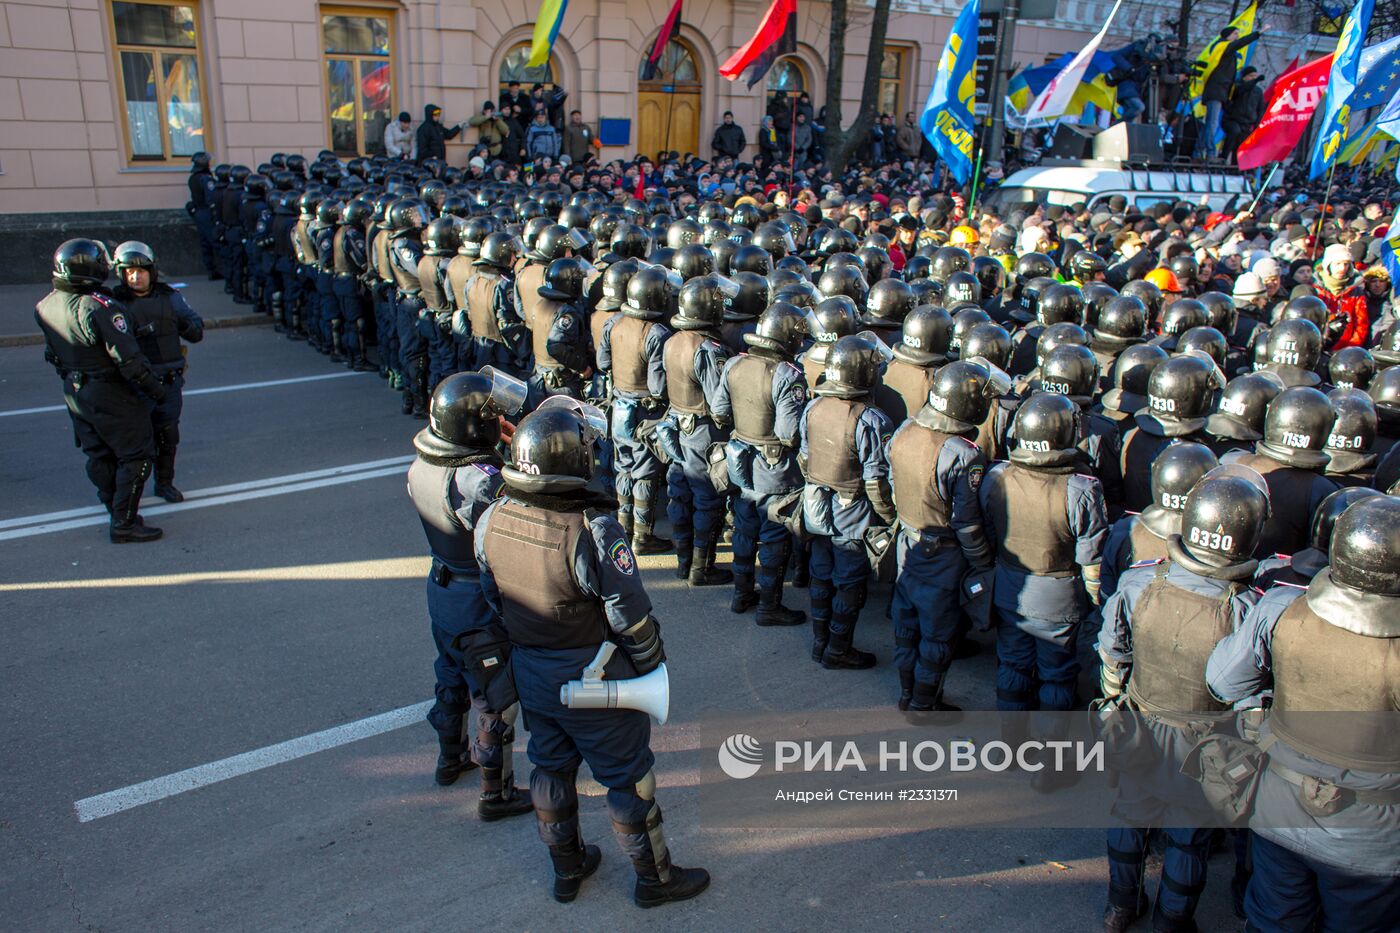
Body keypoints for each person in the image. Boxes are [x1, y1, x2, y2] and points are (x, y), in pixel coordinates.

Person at [475, 400, 711, 907]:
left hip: (532, 670)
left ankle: (567, 869)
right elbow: (630, 615)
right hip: (595, 678)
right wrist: (651, 666)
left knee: (549, 768)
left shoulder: (491, 517)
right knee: (629, 780)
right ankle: (654, 880)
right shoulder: (593, 528)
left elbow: (493, 598)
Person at [1206, 495, 1400, 933]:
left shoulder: (1282, 606)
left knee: (1273, 922)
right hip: (1371, 841)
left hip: (1281, 811)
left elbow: (1223, 683)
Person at [1097, 468, 1271, 933]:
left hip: (1140, 724)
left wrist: (1113, 702)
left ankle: (1119, 906)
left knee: (1129, 817)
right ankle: (1172, 922)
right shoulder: (1249, 607)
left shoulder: (1139, 581)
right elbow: (1249, 691)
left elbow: (1112, 651)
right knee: (1188, 839)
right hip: (1208, 744)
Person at [407, 369, 535, 821]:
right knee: (496, 696)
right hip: (475, 601)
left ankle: (450, 758)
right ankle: (496, 794)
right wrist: (514, 455)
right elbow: (516, 522)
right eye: (493, 416)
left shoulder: (422, 464)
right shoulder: (479, 481)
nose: (499, 420)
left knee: (450, 674)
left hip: (441, 588)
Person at [979, 392, 1107, 776]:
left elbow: (986, 531)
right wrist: (1096, 603)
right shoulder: (1082, 489)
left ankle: (1009, 746)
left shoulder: (997, 476)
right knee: (1057, 678)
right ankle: (1051, 766)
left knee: (1013, 665)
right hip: (1059, 600)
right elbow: (1091, 559)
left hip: (1009, 590)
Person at [36, 239, 167, 543]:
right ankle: (124, 522)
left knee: (98, 454)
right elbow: (128, 359)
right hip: (109, 390)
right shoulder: (100, 307)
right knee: (137, 456)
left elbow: (53, 355)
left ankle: (115, 509)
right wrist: (156, 390)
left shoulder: (45, 305)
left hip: (75, 389)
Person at [887, 359, 998, 712]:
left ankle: (907, 693)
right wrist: (983, 563)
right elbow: (967, 523)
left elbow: (891, 485)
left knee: (906, 623)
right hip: (944, 556)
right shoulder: (964, 454)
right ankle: (924, 703)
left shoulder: (905, 430)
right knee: (938, 632)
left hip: (907, 542)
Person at [801, 334, 897, 670]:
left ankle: (820, 642)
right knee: (849, 581)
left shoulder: (813, 406)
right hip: (852, 511)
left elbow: (804, 458)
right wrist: (889, 518)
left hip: (816, 504)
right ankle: (839, 649)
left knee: (821, 572)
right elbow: (875, 481)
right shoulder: (871, 419)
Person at [712, 302, 810, 625]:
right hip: (775, 470)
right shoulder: (788, 375)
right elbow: (788, 433)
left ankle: (741, 595)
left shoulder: (735, 364)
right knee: (773, 537)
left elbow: (719, 411)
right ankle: (769, 606)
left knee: (744, 529)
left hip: (739, 462)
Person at [110, 241, 204, 504]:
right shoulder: (114, 303)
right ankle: (130, 493)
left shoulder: (170, 297)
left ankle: (164, 483)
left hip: (169, 382)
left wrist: (179, 322)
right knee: (136, 442)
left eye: (141, 271)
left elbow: (196, 330)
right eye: (129, 272)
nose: (135, 277)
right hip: (136, 385)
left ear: (151, 271)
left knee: (168, 435)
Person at [662, 275, 735, 585]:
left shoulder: (672, 340)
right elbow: (719, 404)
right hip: (703, 432)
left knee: (680, 494)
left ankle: (684, 562)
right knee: (708, 500)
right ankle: (701, 569)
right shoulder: (707, 349)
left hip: (677, 424)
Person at [598, 264, 673, 555]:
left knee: (624, 468)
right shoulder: (657, 333)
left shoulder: (613, 323)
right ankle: (642, 536)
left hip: (618, 408)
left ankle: (623, 529)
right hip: (645, 414)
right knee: (644, 474)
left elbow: (603, 363)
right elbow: (657, 386)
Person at [1196, 24, 1264, 161]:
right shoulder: (1224, 46)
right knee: (1212, 123)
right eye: (1235, 34)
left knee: (1210, 123)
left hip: (1220, 92)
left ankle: (1198, 152)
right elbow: (1241, 43)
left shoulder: (1225, 51)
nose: (1237, 36)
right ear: (1227, 35)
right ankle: (1210, 153)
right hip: (1216, 91)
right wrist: (1258, 33)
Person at [186, 151, 220, 279]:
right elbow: (211, 197)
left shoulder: (193, 178)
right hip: (206, 213)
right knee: (215, 241)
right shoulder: (205, 178)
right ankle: (224, 272)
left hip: (198, 213)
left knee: (205, 243)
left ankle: (211, 270)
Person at [1222, 67, 1264, 165]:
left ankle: (1235, 167)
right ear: (1244, 77)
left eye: (1255, 76)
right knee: (1234, 132)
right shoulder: (1237, 86)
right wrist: (1255, 81)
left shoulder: (1258, 91)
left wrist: (1257, 125)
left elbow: (1260, 109)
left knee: (1240, 147)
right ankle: (1223, 158)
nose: (1254, 78)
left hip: (1247, 124)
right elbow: (1240, 91)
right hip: (1232, 120)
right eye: (1251, 76)